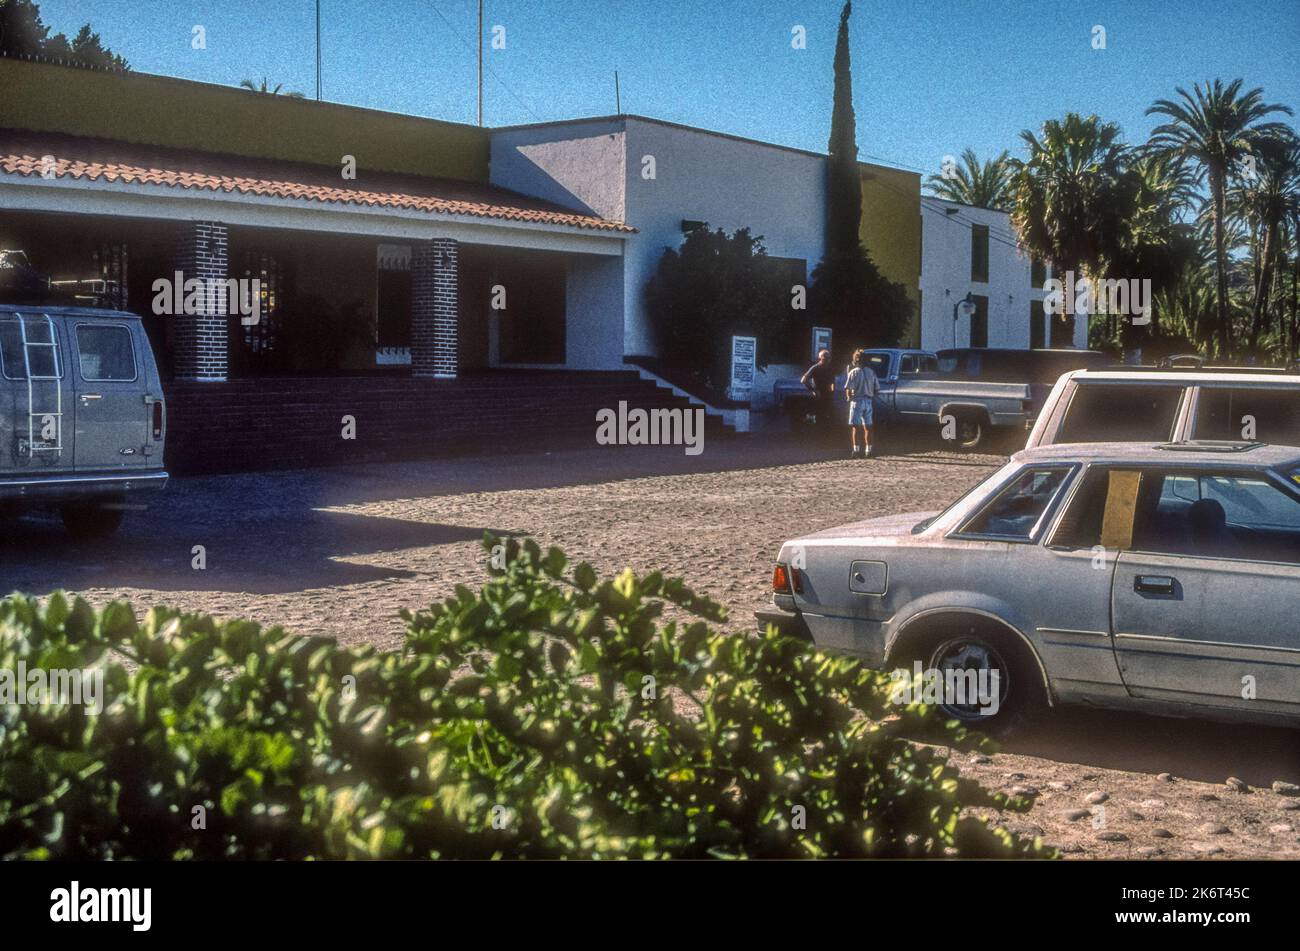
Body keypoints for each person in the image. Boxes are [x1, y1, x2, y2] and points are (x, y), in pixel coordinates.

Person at [843, 348, 879, 458]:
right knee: (868, 426)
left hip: (857, 401)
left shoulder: (853, 372)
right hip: (868, 401)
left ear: (855, 360)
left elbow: (848, 389)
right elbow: (877, 388)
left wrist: (849, 398)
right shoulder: (871, 372)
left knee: (855, 427)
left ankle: (856, 450)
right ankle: (869, 450)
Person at [799, 349, 836, 437]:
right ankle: (818, 435)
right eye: (825, 358)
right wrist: (813, 390)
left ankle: (824, 435)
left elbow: (833, 382)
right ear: (821, 358)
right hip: (819, 395)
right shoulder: (815, 368)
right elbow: (803, 380)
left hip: (827, 395)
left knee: (827, 416)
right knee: (820, 415)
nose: (827, 359)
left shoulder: (830, 368)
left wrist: (832, 393)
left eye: (828, 358)